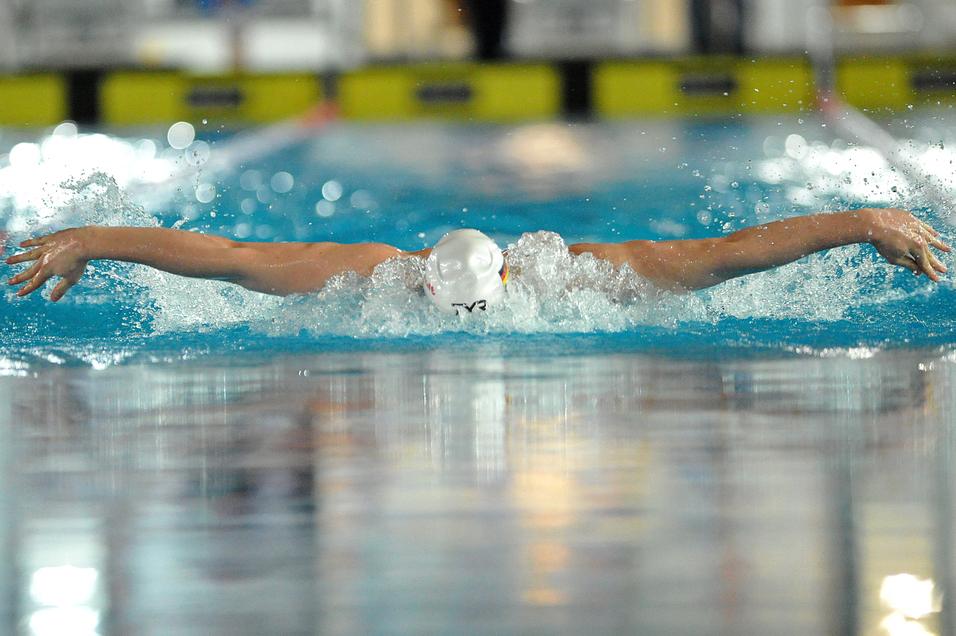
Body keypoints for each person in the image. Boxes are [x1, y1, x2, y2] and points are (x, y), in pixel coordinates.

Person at [3, 208, 950, 312]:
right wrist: (90, 236)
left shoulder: (578, 276)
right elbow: (233, 257)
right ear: (419, 278)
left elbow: (727, 256)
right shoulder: (366, 274)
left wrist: (864, 219)